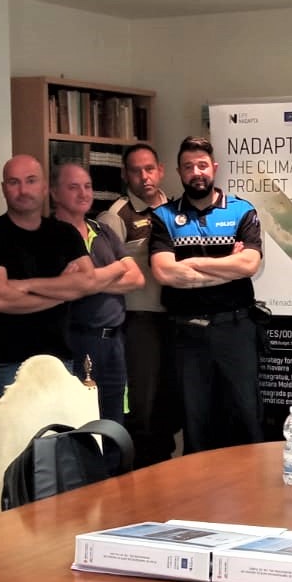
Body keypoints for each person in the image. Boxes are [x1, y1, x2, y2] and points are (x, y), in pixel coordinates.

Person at [150, 137, 264, 453]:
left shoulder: (242, 210)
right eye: (188, 167)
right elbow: (164, 273)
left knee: (245, 416)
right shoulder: (164, 217)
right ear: (179, 172)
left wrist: (194, 264)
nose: (196, 172)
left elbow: (250, 264)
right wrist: (226, 265)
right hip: (187, 334)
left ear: (214, 168)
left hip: (236, 330)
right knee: (195, 420)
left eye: (202, 165)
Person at [0, 155, 94, 394]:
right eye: (14, 182)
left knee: (61, 432)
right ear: (3, 188)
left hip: (60, 360)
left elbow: (87, 282)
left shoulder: (65, 234)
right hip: (7, 364)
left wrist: (25, 285)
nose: (23, 190)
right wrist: (63, 290)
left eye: (31, 181)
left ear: (45, 187)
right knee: (12, 433)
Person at [98, 142, 180, 465]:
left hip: (175, 319)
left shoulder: (177, 210)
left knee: (169, 406)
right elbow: (105, 276)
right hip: (139, 322)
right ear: (125, 175)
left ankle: (165, 472)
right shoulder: (116, 216)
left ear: (160, 170)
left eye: (150, 169)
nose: (144, 177)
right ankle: (141, 475)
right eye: (136, 171)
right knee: (142, 409)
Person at [51, 160, 145, 429]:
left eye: (88, 186)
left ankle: (112, 473)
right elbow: (64, 289)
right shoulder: (49, 235)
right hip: (75, 343)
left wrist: (88, 281)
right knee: (78, 425)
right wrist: (114, 269)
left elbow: (136, 278)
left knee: (113, 424)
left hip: (113, 343)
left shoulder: (102, 230)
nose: (83, 194)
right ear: (54, 193)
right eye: (73, 187)